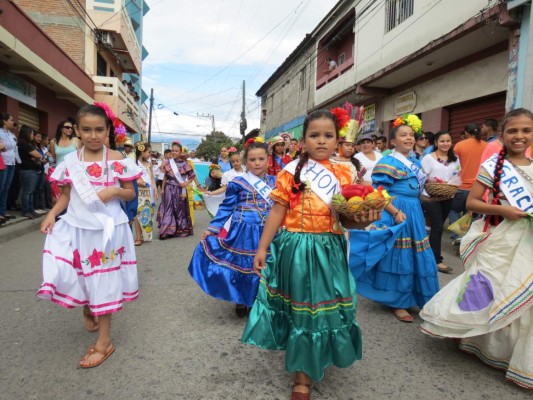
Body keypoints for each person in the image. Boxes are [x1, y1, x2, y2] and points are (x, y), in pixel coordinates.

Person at [242, 109, 381, 400]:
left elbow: (347, 219)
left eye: (328, 136)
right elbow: (278, 210)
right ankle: (302, 376)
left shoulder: (346, 171)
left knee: (324, 307)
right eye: (314, 135)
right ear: (303, 140)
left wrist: (365, 219)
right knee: (304, 309)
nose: (321, 141)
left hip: (329, 248)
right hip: (295, 248)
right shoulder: (291, 170)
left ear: (337, 139)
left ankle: (317, 355)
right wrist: (262, 247)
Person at [420, 108, 533, 391]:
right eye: (513, 131)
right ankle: (476, 338)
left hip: (528, 239)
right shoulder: (493, 165)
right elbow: (472, 203)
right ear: (502, 134)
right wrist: (502, 209)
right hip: (501, 235)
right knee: (491, 288)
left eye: (526, 131)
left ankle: (511, 354)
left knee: (522, 293)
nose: (519, 136)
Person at [37, 103, 141, 368]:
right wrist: (52, 213)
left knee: (103, 282)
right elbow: (66, 196)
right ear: (77, 132)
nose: (93, 135)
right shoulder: (71, 161)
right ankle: (88, 305)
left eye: (99, 130)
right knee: (80, 276)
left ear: (108, 130)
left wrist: (114, 191)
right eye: (87, 130)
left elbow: (130, 193)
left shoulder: (117, 159)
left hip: (109, 231)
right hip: (78, 228)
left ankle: (104, 342)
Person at [357, 114, 439, 323]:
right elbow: (379, 192)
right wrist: (394, 211)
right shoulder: (388, 162)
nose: (409, 138)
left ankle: (417, 296)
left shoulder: (414, 161)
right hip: (397, 210)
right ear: (393, 141)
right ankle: (398, 302)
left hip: (414, 210)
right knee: (398, 256)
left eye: (411, 135)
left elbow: (416, 190)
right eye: (403, 135)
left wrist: (433, 198)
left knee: (416, 253)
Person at [189, 138, 275, 317]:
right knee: (241, 265)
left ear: (268, 159)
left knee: (264, 265)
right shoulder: (238, 182)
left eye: (261, 159)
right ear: (246, 162)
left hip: (267, 230)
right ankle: (240, 299)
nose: (257, 163)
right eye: (252, 160)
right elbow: (227, 207)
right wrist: (213, 228)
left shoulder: (276, 182)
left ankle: (258, 300)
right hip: (243, 229)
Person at [421, 130, 461, 273]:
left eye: (448, 141)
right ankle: (436, 260)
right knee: (437, 226)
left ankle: (428, 254)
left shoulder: (455, 158)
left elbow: (457, 175)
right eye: (442, 141)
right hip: (431, 197)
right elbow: (422, 177)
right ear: (436, 143)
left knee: (437, 227)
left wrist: (451, 183)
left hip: (447, 196)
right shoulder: (428, 158)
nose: (445, 143)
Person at [448, 123, 487, 245]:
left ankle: (457, 236)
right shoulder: (486, 146)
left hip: (461, 187)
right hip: (479, 188)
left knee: (454, 210)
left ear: (466, 133)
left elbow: (452, 165)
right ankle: (471, 239)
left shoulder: (459, 145)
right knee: (474, 214)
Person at [157, 141, 195, 239]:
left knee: (179, 209)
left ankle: (180, 229)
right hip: (169, 188)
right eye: (172, 150)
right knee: (168, 208)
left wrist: (185, 184)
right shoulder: (167, 163)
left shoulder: (185, 164)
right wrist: (162, 189)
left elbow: (192, 176)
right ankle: (166, 230)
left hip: (179, 189)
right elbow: (165, 176)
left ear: (180, 152)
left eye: (176, 151)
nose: (174, 152)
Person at [18, 125, 44, 219]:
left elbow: (37, 156)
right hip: (27, 170)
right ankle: (26, 211)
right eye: (32, 133)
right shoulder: (24, 143)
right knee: (27, 191)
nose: (33, 135)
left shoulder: (28, 144)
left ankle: (30, 209)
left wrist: (35, 156)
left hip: (30, 170)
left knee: (31, 191)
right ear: (27, 133)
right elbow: (38, 155)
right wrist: (35, 156)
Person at [135, 141, 157, 244]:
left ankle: (146, 235)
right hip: (139, 191)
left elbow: (152, 178)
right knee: (138, 213)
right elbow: (132, 178)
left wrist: (155, 189)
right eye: (148, 152)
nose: (150, 154)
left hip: (149, 191)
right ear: (141, 151)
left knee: (147, 213)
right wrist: (140, 183)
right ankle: (138, 237)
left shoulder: (149, 164)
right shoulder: (134, 164)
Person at [0, 113, 18, 223]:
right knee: (1, 187)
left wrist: (18, 162)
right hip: (3, 163)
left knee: (6, 188)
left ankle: (3, 211)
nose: (13, 122)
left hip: (12, 163)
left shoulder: (12, 135)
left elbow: (15, 150)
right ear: (4, 121)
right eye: (11, 120)